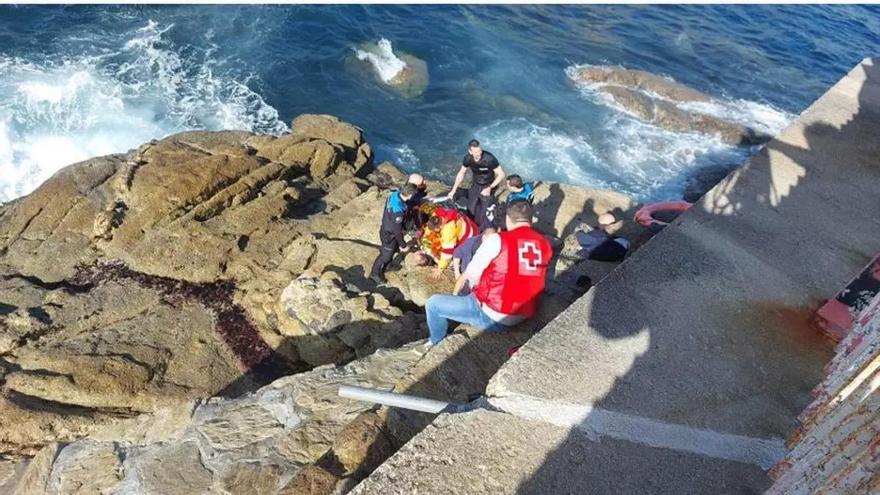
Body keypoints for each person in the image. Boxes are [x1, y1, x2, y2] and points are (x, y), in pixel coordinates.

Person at [424, 201, 552, 345]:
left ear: (508, 220)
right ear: (531, 219)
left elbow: (472, 275)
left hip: (495, 315)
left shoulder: (498, 239)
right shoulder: (544, 244)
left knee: (433, 304)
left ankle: (434, 341)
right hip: (525, 312)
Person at [369, 182, 419, 284]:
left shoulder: (395, 194)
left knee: (393, 250)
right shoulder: (398, 211)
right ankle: (374, 273)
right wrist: (403, 245)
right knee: (385, 255)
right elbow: (397, 231)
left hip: (387, 226)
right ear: (410, 195)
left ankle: (388, 265)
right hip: (389, 234)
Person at [447, 139, 506, 225]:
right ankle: (470, 226)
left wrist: (490, 188)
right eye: (476, 152)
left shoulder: (489, 158)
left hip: (489, 184)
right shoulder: (468, 159)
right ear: (470, 152)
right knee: (471, 209)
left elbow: (501, 174)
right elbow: (461, 173)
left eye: (480, 150)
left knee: (483, 212)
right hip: (476, 183)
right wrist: (453, 190)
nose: (479, 153)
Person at [431, 207, 478, 276]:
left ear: (439, 227)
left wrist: (440, 268)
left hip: (470, 236)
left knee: (461, 258)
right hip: (470, 224)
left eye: (435, 230)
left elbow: (448, 252)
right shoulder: (439, 213)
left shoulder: (448, 231)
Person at [452, 227, 496, 295]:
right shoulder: (471, 242)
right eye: (488, 240)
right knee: (460, 294)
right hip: (465, 280)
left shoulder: (495, 249)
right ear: (483, 237)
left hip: (479, 286)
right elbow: (457, 254)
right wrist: (457, 273)